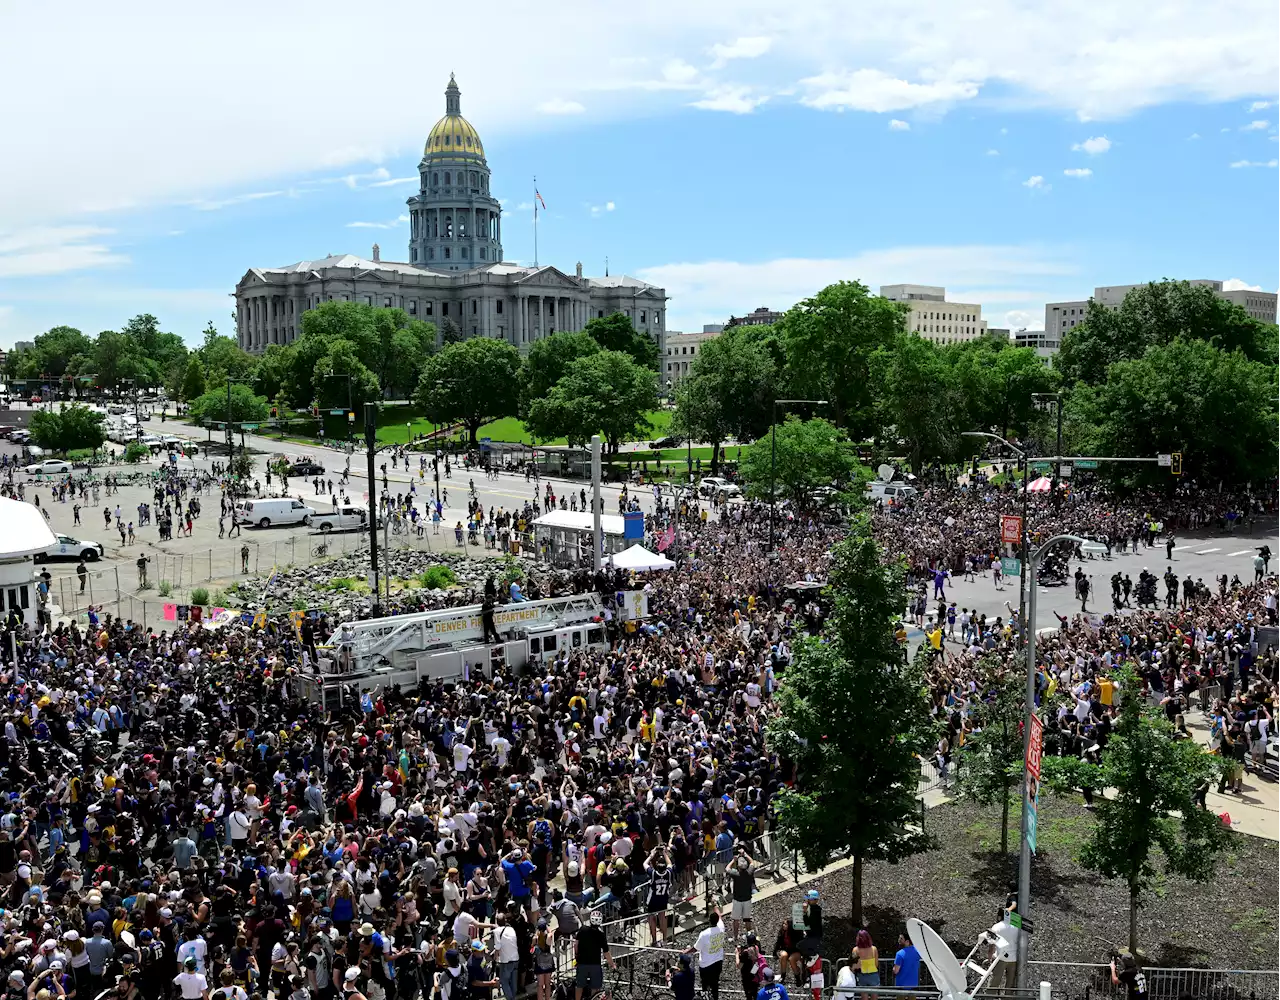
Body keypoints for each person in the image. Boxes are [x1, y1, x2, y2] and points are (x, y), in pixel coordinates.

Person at [574, 909, 614, 1000]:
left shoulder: (583, 929)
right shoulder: (601, 934)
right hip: (595, 964)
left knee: (579, 985)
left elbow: (575, 945)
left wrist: (576, 957)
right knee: (595, 987)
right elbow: (606, 952)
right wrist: (612, 964)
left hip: (582, 963)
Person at [694, 910, 726, 1000]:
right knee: (715, 984)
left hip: (706, 965)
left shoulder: (704, 934)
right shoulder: (721, 928)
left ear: (709, 920)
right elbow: (719, 917)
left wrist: (686, 951)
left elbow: (696, 948)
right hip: (718, 962)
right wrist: (715, 906)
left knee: (705, 986)